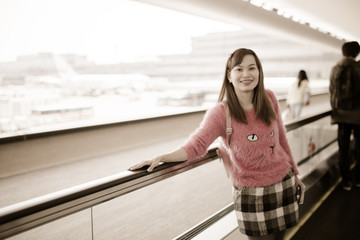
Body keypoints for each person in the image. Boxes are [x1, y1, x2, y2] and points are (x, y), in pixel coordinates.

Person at [129, 48, 305, 239]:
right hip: (250, 193)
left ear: (259, 72)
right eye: (239, 69)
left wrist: (295, 173)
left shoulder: (269, 98)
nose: (246, 74)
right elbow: (196, 145)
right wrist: (162, 157)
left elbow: (282, 141)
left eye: (252, 68)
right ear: (229, 76)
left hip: (283, 183)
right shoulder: (221, 113)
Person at [329, 41, 360, 191]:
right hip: (358, 116)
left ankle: (346, 181)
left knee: (343, 149)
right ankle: (359, 180)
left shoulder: (335, 69)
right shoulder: (359, 67)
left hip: (341, 116)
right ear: (357, 53)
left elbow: (331, 92)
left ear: (343, 52)